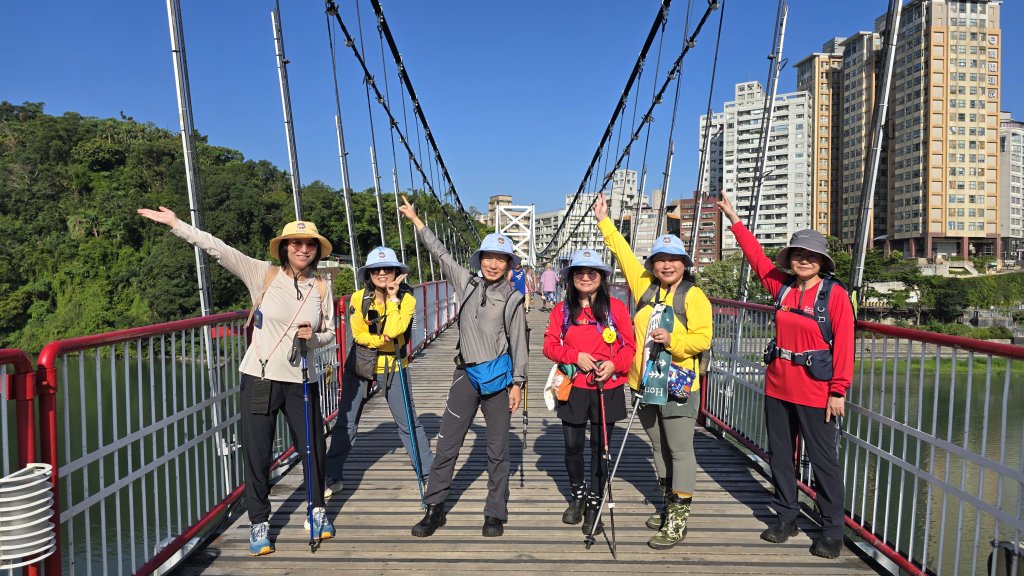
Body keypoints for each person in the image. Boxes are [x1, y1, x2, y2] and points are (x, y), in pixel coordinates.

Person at [137, 207, 335, 556]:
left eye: (310, 244)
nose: (303, 249)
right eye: (296, 243)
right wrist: (176, 225)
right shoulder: (263, 274)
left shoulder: (321, 286)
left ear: (317, 250)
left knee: (313, 449)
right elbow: (219, 249)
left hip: (303, 379)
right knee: (257, 454)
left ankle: (317, 511)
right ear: (285, 247)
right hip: (260, 378)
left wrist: (313, 337)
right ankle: (260, 522)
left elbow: (330, 333)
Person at [716, 192, 853, 560]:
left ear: (821, 262)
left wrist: (838, 391)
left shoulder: (834, 295)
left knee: (824, 462)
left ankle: (832, 530)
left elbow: (844, 345)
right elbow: (758, 261)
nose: (803, 260)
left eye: (810, 256)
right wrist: (735, 220)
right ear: (791, 260)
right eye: (798, 255)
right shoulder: (784, 286)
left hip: (816, 392)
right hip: (777, 385)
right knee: (780, 456)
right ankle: (787, 517)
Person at [398, 196, 528, 538]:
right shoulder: (465, 283)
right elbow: (439, 253)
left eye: (501, 259)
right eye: (489, 257)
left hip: (498, 381)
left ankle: (495, 513)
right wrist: (416, 220)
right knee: (448, 445)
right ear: (480, 259)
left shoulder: (513, 299)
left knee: (498, 451)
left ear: (509, 264)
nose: (493, 264)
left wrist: (519, 383)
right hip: (465, 376)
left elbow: (519, 343)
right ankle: (435, 508)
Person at [593, 192, 713, 550]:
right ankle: (666, 504)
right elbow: (623, 253)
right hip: (643, 383)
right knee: (659, 448)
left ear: (684, 264)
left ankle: (678, 519)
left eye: (673, 260)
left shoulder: (694, 296)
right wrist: (604, 220)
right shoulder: (644, 285)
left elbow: (703, 339)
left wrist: (674, 339)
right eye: (660, 260)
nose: (666, 266)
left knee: (679, 450)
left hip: (678, 384)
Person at [323, 247, 434, 498]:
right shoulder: (358, 298)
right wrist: (378, 339)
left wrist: (393, 301)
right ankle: (331, 475)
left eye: (388, 269)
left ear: (397, 272)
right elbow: (358, 334)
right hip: (361, 363)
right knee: (346, 423)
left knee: (408, 423)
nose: (382, 273)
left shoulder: (407, 299)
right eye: (376, 269)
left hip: (394, 365)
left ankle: (428, 475)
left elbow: (395, 331)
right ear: (369, 274)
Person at [542, 249, 636, 535]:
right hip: (573, 387)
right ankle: (578, 496)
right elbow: (549, 346)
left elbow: (629, 347)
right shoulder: (562, 310)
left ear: (602, 278)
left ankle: (595, 502)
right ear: (571, 278)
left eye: (591, 273)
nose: (585, 277)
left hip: (606, 387)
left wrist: (613, 364)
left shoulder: (617, 309)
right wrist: (574, 356)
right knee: (572, 446)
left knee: (600, 449)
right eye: (579, 273)